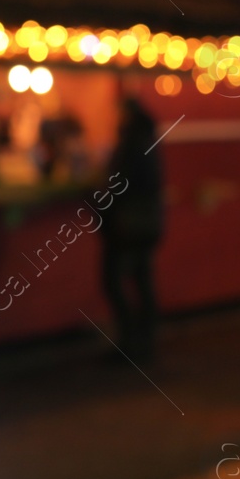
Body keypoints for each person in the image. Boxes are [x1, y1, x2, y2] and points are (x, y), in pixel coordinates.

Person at [99, 94, 165, 362]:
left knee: (114, 280)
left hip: (128, 225)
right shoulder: (149, 141)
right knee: (141, 280)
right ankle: (144, 340)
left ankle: (129, 342)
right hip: (148, 224)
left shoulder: (130, 144)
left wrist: (99, 206)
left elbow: (118, 184)